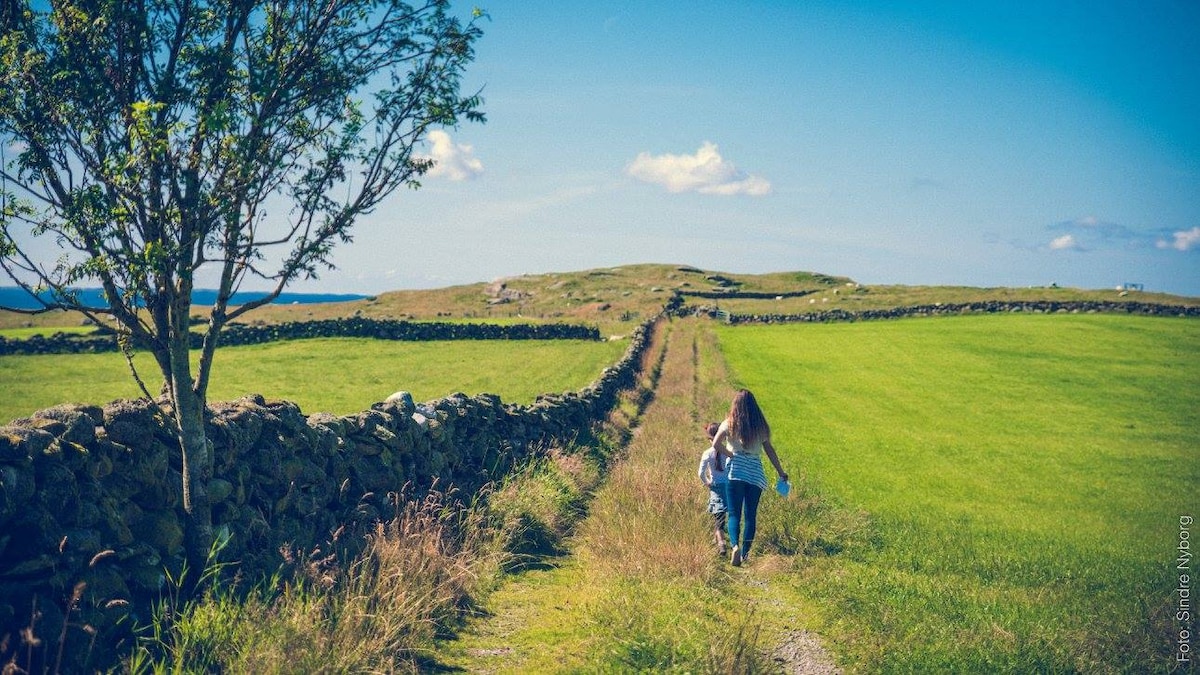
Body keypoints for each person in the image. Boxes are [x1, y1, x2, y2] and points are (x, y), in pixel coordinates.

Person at [713, 389, 788, 566]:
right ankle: (746, 554)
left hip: (736, 471)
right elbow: (769, 450)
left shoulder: (729, 423)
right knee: (750, 515)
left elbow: (716, 444)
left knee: (733, 514)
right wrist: (780, 472)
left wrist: (730, 454)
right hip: (754, 471)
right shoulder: (760, 426)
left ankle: (735, 547)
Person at [697, 422, 730, 554]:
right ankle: (718, 538)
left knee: (718, 516)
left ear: (710, 439)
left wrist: (707, 482)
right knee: (725, 515)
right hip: (728, 487)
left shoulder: (707, 453)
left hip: (715, 487)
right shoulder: (728, 452)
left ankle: (721, 543)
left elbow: (700, 473)